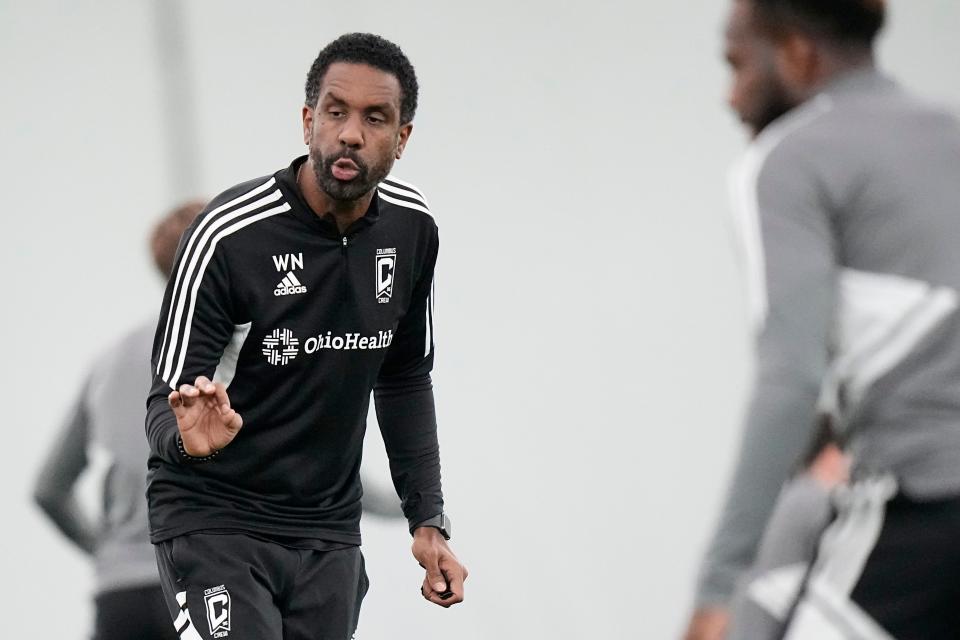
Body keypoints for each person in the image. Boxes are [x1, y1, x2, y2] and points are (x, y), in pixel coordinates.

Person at [145, 33, 466, 640]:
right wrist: (190, 441)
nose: (350, 134)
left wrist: (428, 520)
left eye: (375, 119)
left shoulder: (412, 229)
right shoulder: (227, 235)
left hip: (327, 533)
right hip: (216, 522)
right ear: (307, 120)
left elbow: (403, 378)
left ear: (402, 139)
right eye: (335, 111)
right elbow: (164, 403)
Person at [683, 0, 960, 637]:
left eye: (738, 65)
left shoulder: (789, 159)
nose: (731, 97)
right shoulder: (948, 127)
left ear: (796, 54)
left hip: (923, 509)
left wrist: (720, 587)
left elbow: (791, 380)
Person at [33, 200, 204, 640]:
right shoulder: (232, 352)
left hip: (121, 599)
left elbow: (49, 488)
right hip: (203, 588)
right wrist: (404, 504)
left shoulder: (109, 361)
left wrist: (108, 552)